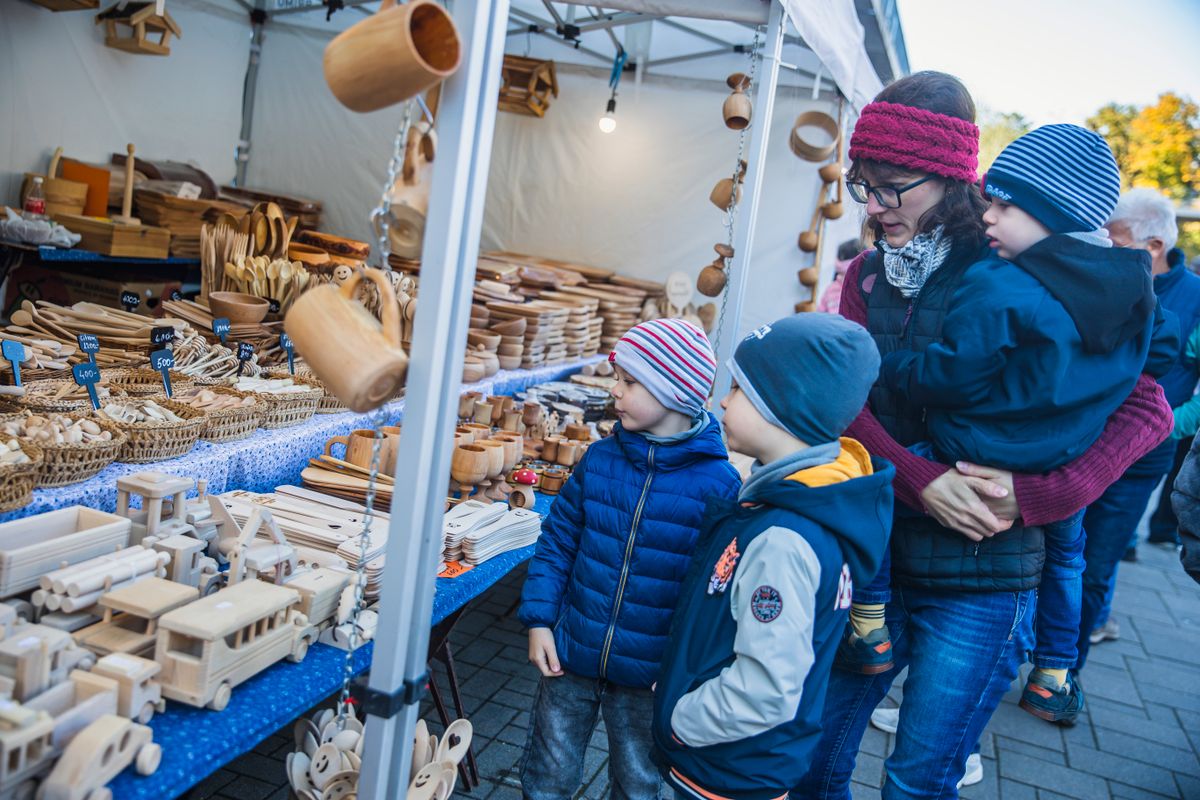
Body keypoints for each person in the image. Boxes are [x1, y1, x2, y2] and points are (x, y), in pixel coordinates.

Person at [793, 71, 1174, 800]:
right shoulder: (864, 276)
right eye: (861, 187)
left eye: (889, 187)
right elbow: (843, 401)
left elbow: (1147, 405)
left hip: (984, 579)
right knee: (812, 757)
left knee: (919, 780)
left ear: (947, 176)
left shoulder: (1018, 262)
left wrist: (1039, 492)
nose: (873, 208)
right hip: (871, 558)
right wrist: (920, 478)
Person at [651, 313, 893, 800]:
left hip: (727, 766)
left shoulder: (784, 538)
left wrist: (682, 720)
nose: (723, 399)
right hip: (737, 762)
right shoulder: (803, 505)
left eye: (739, 389)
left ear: (784, 406)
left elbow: (766, 688)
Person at [518, 318, 741, 800]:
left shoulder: (718, 486)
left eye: (629, 381)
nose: (614, 391)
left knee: (640, 782)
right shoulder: (599, 460)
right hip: (571, 651)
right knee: (548, 773)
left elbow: (712, 594)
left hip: (651, 673)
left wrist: (684, 668)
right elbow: (557, 543)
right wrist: (539, 619)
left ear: (674, 392)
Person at [1075, 189, 1199, 658]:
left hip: (1141, 460)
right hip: (1079, 444)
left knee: (1095, 566)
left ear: (1152, 247)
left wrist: (1162, 425)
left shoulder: (1196, 300)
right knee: (1053, 557)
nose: (1104, 244)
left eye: (1116, 237)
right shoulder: (1102, 281)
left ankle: (1064, 674)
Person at [817, 239, 867, 313]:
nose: (840, 278)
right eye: (841, 274)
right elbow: (821, 316)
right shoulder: (831, 290)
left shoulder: (868, 290)